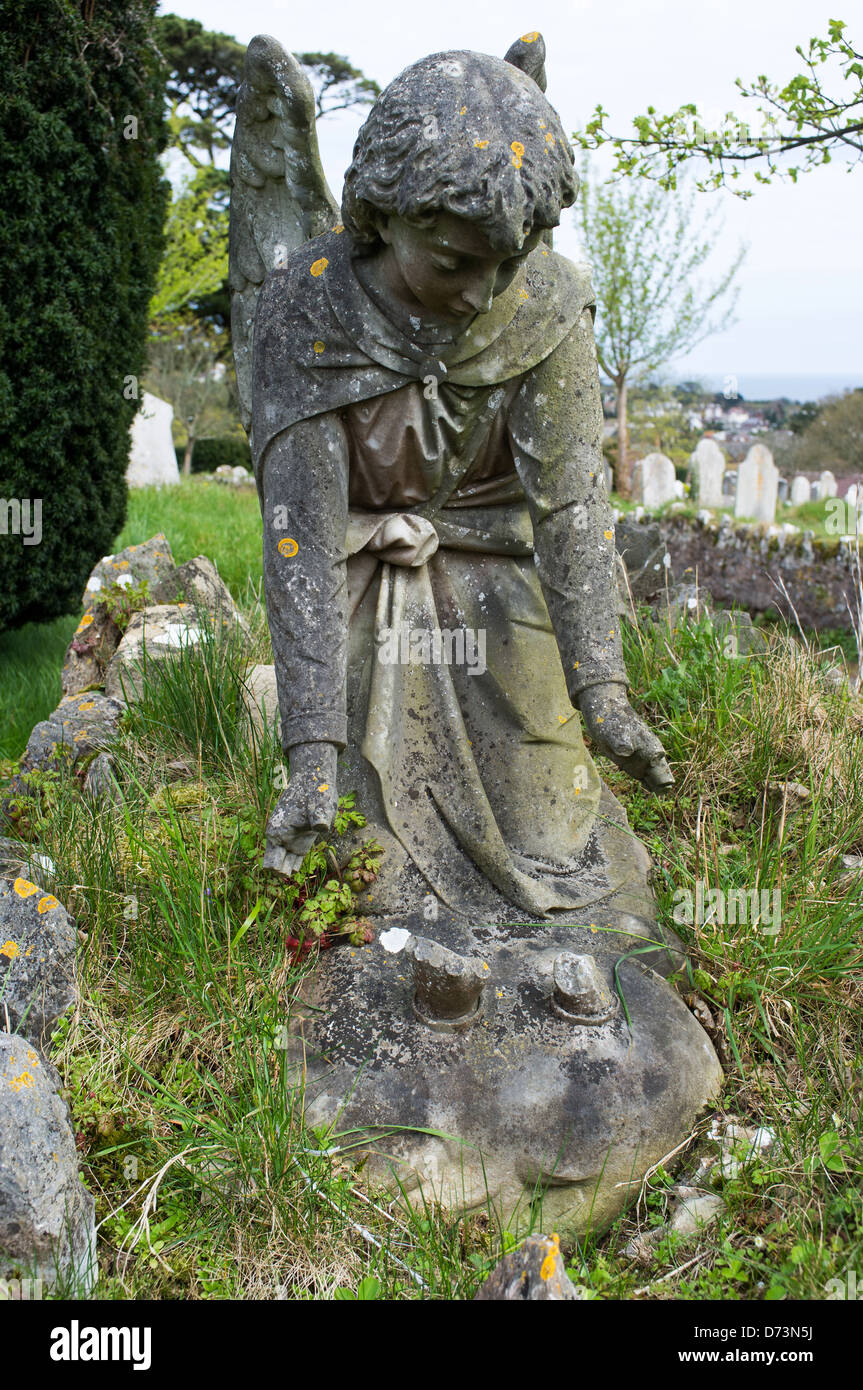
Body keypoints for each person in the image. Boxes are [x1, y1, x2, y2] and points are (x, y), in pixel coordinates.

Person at [251, 49, 672, 926]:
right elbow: (302, 537)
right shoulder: (308, 307)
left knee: (558, 848)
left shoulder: (548, 306)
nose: (483, 296)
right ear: (381, 217)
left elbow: (571, 508)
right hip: (360, 590)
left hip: (493, 580)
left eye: (507, 263)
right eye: (452, 262)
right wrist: (312, 753)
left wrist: (603, 693)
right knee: (370, 874)